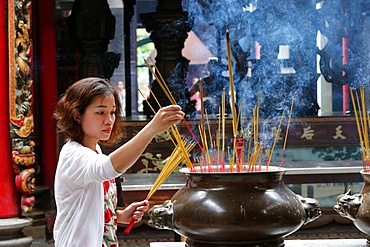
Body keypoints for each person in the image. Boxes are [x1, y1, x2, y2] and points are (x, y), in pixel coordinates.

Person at [53, 77, 185, 247]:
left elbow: (91, 209)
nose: (109, 120)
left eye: (113, 112)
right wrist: (151, 129)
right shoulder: (74, 155)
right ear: (77, 115)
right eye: (100, 112)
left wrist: (118, 216)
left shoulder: (95, 150)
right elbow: (108, 168)